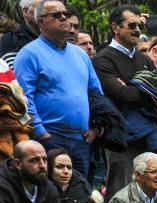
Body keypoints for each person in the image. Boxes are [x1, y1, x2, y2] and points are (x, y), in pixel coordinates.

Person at [15, 0, 103, 180]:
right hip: (50, 138)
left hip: (82, 139)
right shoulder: (29, 54)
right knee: (52, 196)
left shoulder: (80, 54)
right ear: (41, 23)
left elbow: (96, 94)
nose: (64, 18)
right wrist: (42, 133)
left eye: (66, 13)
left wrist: (96, 127)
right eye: (56, 15)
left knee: (79, 197)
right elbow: (23, 99)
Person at [92, 5, 157, 198]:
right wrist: (145, 90)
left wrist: (132, 88)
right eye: (131, 25)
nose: (137, 30)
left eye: (139, 25)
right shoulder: (102, 59)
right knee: (120, 191)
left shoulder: (145, 59)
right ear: (115, 27)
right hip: (120, 138)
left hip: (149, 135)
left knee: (152, 191)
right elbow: (122, 95)